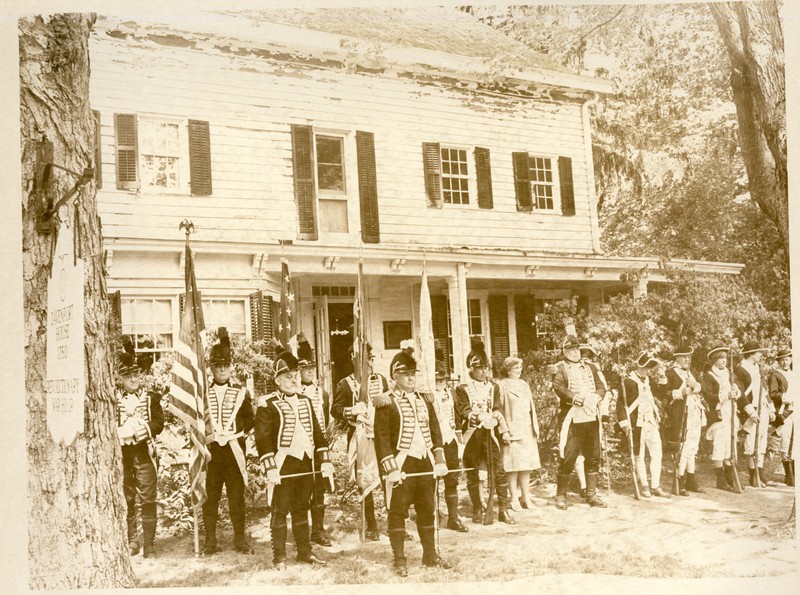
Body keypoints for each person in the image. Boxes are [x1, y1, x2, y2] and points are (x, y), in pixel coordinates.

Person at [374, 350, 452, 577]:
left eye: (412, 374)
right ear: (394, 376)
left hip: (424, 462)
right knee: (397, 512)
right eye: (405, 374)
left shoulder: (423, 399)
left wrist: (439, 460)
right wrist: (391, 469)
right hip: (401, 464)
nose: (410, 378)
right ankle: (399, 559)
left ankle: (430, 554)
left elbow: (435, 431)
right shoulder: (385, 402)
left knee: (427, 509)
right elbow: (382, 439)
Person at [255, 348, 332, 569]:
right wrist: (270, 467)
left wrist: (324, 460)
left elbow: (318, 435)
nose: (294, 379)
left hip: (305, 463)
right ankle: (279, 557)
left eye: (296, 375)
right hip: (282, 464)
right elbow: (263, 439)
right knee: (280, 510)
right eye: (288, 376)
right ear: (277, 380)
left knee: (301, 509)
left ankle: (304, 552)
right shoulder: (267, 404)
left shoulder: (306, 401)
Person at [202, 328, 255, 555]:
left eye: (225, 366)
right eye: (217, 366)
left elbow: (250, 420)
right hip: (212, 451)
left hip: (234, 451)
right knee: (210, 497)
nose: (222, 370)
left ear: (230, 367)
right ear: (211, 368)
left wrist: (236, 433)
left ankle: (240, 540)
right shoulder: (203, 393)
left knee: (236, 497)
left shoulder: (241, 392)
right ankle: (210, 542)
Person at [330, 343, 389, 541]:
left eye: (371, 360)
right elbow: (335, 410)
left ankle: (395, 522)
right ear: (354, 362)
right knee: (365, 480)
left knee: (390, 477)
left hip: (382, 435)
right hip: (360, 435)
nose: (369, 364)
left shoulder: (380, 380)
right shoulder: (346, 384)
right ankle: (371, 524)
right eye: (365, 361)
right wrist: (351, 410)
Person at [454, 339, 515, 525]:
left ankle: (503, 510)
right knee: (474, 472)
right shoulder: (462, 388)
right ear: (471, 369)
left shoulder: (493, 387)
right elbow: (463, 410)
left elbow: (497, 407)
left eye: (486, 368)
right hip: (472, 434)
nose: (483, 372)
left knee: (498, 470)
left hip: (490, 434)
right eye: (479, 368)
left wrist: (496, 418)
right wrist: (478, 417)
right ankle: (477, 509)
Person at [115, 338, 163, 558]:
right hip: (122, 455)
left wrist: (140, 431)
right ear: (120, 378)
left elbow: (158, 423)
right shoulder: (113, 399)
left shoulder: (151, 398)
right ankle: (133, 541)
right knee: (128, 497)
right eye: (128, 376)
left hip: (144, 453)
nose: (133, 380)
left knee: (148, 497)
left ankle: (150, 544)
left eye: (136, 375)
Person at [551, 336, 608, 509]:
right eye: (571, 350)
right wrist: (575, 398)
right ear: (565, 351)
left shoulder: (590, 367)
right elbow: (559, 388)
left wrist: (596, 397)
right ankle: (561, 495)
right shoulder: (560, 368)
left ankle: (591, 494)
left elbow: (601, 386)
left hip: (591, 416)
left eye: (577, 349)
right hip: (572, 417)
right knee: (569, 456)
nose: (575, 353)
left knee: (593, 456)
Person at [297, 335, 333, 546]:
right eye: (305, 368)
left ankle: (318, 531)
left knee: (319, 490)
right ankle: (301, 532)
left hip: (318, 447)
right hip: (300, 447)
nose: (309, 371)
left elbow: (325, 419)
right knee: (302, 490)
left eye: (312, 368)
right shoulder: (293, 392)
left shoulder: (322, 393)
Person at [618, 351, 669, 498]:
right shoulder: (628, 381)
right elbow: (620, 404)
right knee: (639, 455)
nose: (648, 370)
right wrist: (625, 423)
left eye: (650, 367)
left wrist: (663, 378)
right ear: (640, 367)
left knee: (657, 453)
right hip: (636, 423)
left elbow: (661, 394)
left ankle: (655, 485)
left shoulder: (648, 380)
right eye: (646, 367)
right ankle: (644, 486)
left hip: (651, 422)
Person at [496, 356, 541, 512]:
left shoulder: (524, 385)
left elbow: (531, 408)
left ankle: (526, 497)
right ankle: (514, 499)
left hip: (526, 429)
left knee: (526, 465)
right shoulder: (501, 385)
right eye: (516, 368)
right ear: (508, 369)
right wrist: (504, 430)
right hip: (512, 430)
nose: (519, 370)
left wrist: (535, 428)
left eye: (520, 367)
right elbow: (499, 409)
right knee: (512, 466)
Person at [663, 345, 707, 495]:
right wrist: (681, 392)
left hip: (695, 411)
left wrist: (695, 386)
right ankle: (679, 479)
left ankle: (691, 479)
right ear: (676, 358)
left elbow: (704, 387)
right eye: (683, 357)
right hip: (680, 413)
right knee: (682, 446)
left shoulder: (693, 372)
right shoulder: (670, 373)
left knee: (693, 446)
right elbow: (664, 393)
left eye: (688, 356)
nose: (687, 359)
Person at [431, 353, 467, 532]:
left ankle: (453, 517)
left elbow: (458, 415)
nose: (440, 384)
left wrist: (459, 437)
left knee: (451, 479)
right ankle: (432, 516)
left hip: (450, 439)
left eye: (443, 380)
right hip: (433, 443)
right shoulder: (426, 397)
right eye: (437, 381)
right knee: (432, 480)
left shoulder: (450, 394)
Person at [734, 340, 775, 487]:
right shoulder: (740, 369)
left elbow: (763, 389)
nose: (760, 355)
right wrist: (750, 410)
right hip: (749, 409)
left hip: (762, 407)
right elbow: (740, 393)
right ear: (751, 353)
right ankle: (753, 475)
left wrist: (771, 407)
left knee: (762, 439)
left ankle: (760, 471)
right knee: (751, 441)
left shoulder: (758, 367)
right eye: (758, 352)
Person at [702, 346, 741, 491]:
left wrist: (736, 392)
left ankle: (730, 477)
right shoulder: (709, 375)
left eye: (725, 358)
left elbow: (739, 392)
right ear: (714, 360)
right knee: (719, 445)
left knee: (729, 446)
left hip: (731, 413)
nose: (724, 360)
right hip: (718, 415)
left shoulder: (730, 374)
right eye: (720, 358)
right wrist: (726, 396)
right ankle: (720, 479)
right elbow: (708, 396)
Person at [574, 344, 610, 500]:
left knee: (593, 452)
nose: (584, 360)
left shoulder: (595, 373)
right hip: (575, 416)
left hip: (594, 416)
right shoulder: (571, 372)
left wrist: (606, 416)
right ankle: (582, 485)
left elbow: (604, 395)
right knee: (577, 453)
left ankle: (591, 489)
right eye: (582, 356)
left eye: (588, 357)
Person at [769, 348, 794, 486]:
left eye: (787, 359)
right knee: (786, 441)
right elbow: (773, 394)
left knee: (795, 442)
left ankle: (795, 474)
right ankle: (788, 475)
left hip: (796, 411)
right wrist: (786, 398)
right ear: (779, 361)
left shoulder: (795, 374)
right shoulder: (775, 375)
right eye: (782, 360)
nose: (785, 362)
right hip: (784, 412)